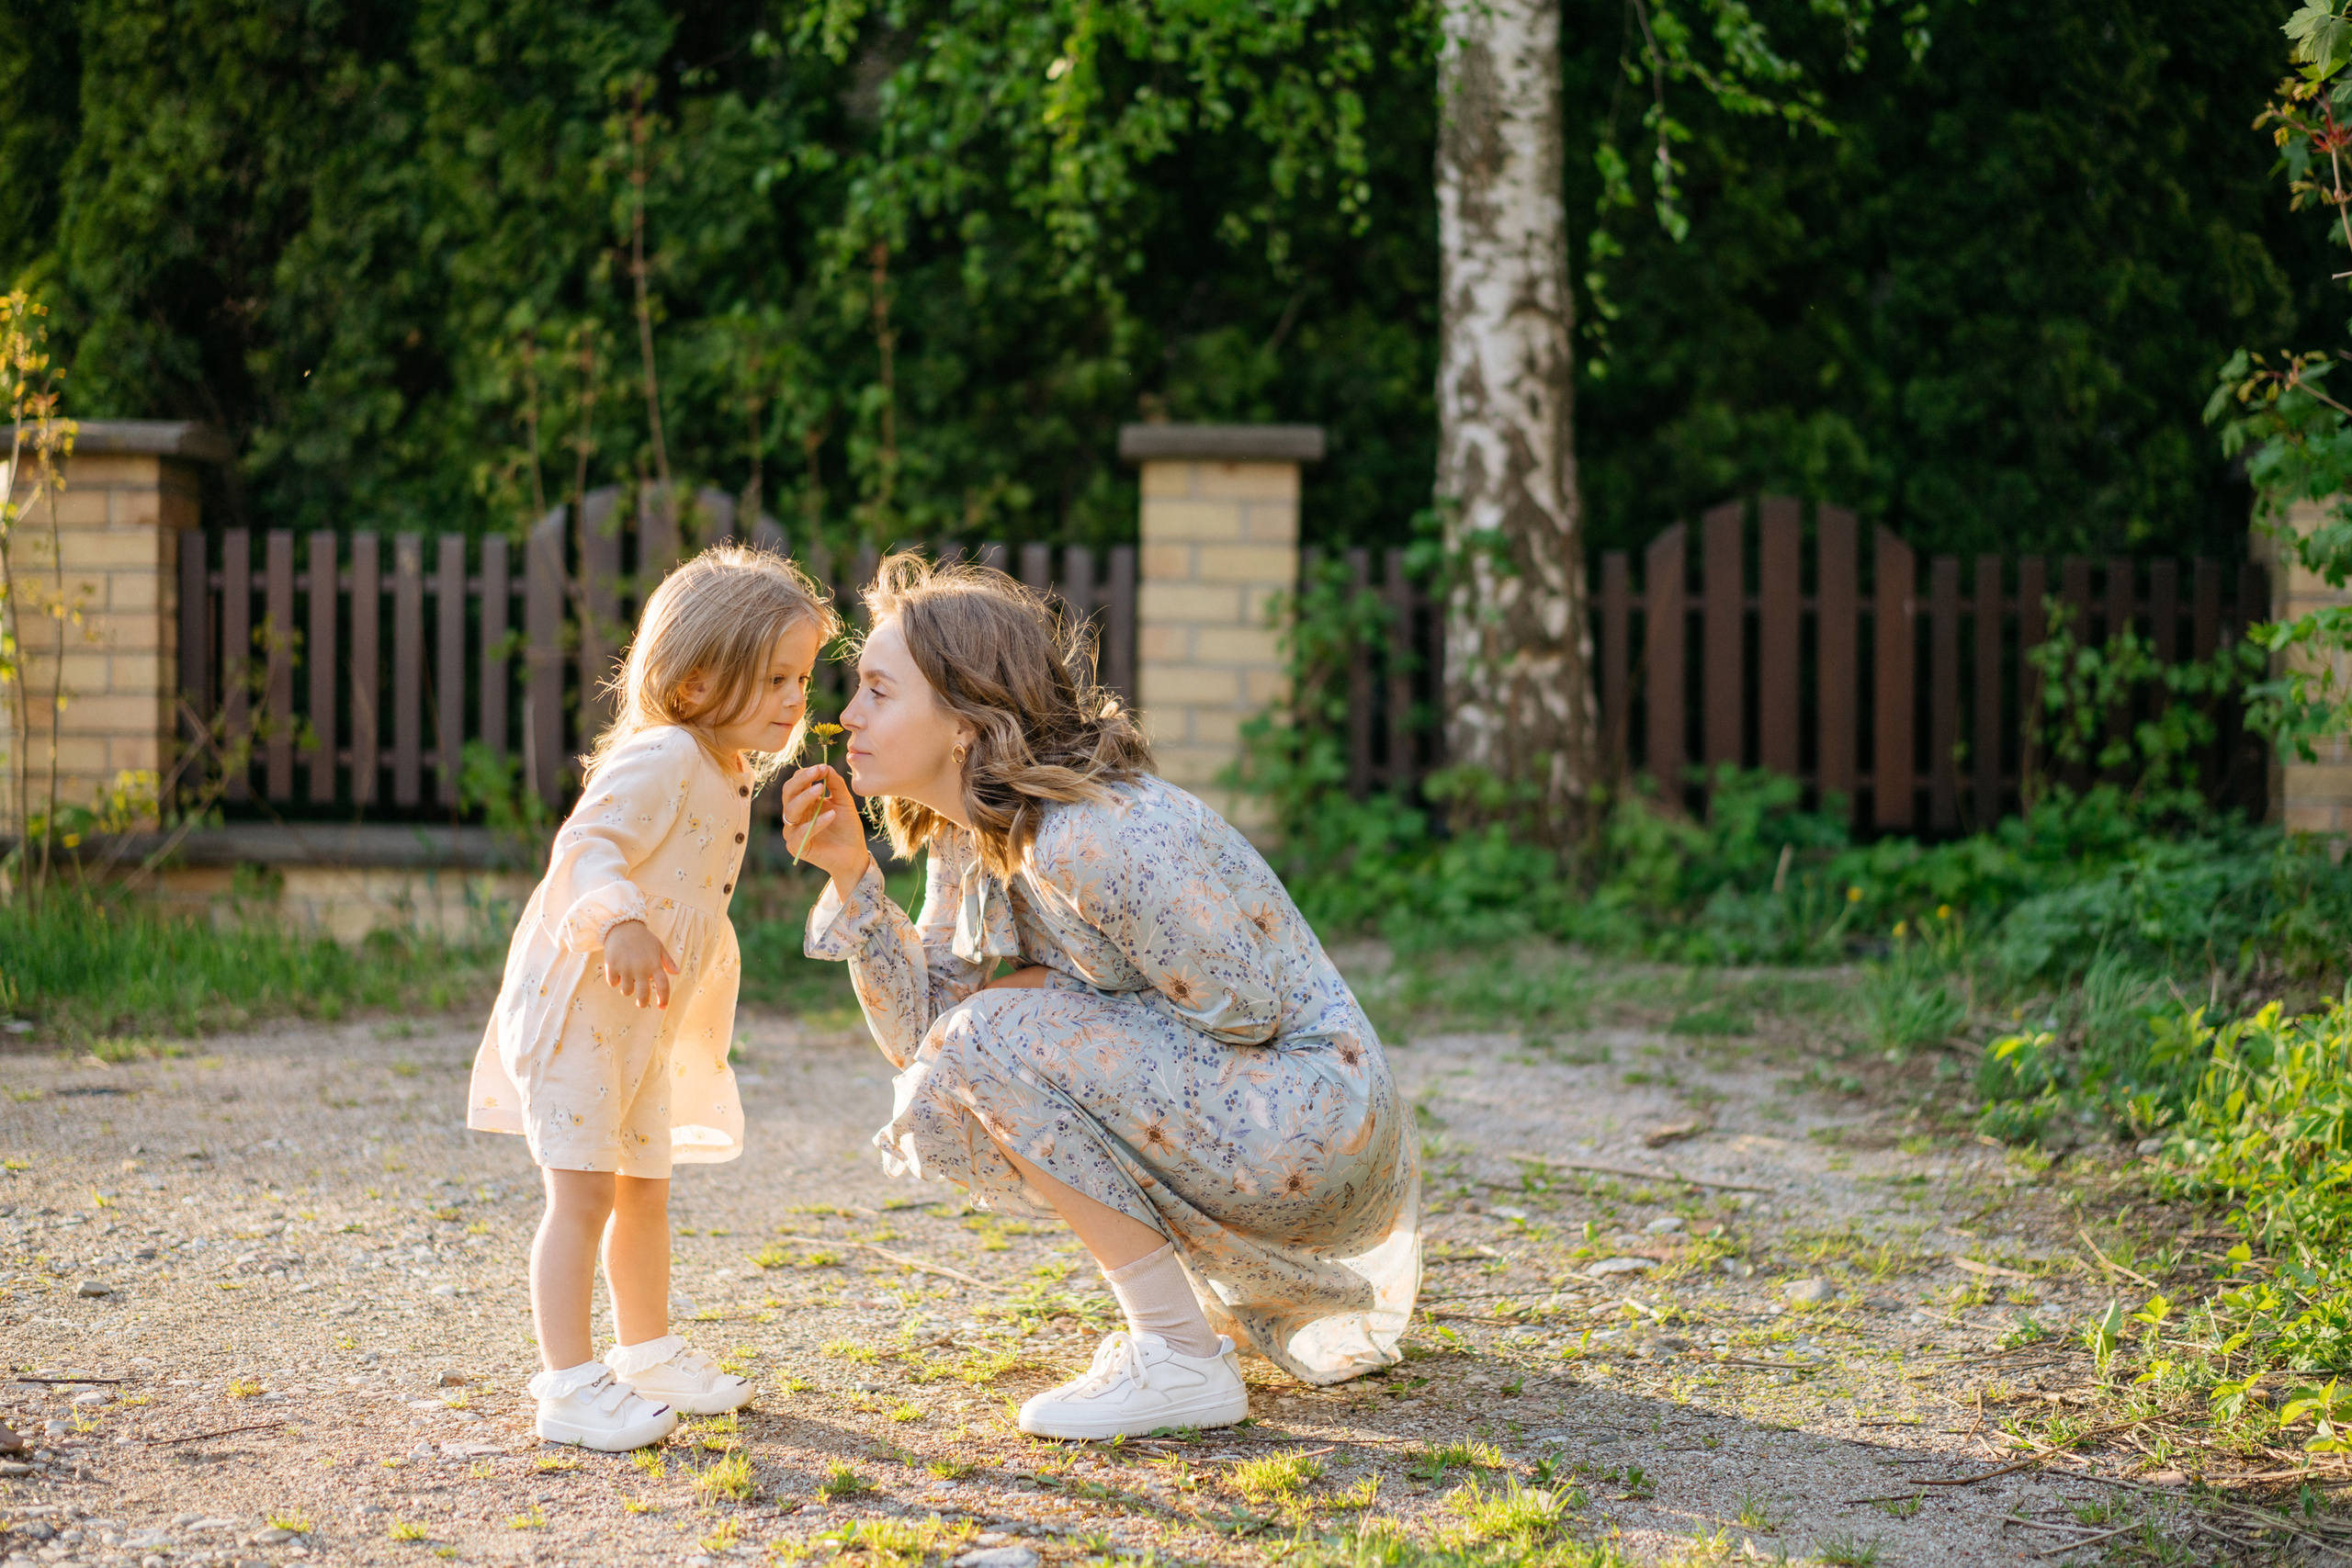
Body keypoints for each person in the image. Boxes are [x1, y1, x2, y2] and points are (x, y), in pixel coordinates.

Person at [783, 553, 1419, 1441]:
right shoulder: (972, 839)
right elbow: (924, 1036)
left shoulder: (1087, 835)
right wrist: (853, 876)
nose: (847, 714)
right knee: (970, 1046)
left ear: (965, 717)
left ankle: (1178, 1358)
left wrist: (1048, 987)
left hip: (1317, 1116)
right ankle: (1175, 1344)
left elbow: (1250, 1008)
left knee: (990, 1036)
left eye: (879, 691)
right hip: (1260, 1117)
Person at [469, 545, 839, 1450]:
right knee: (585, 1195)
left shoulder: (723, 767)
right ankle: (567, 1383)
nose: (796, 699)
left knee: (644, 1189)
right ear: (696, 679)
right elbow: (584, 846)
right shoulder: (666, 754)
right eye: (775, 678)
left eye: (801, 678)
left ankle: (646, 1352)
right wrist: (622, 921)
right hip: (583, 1014)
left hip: (638, 1023)